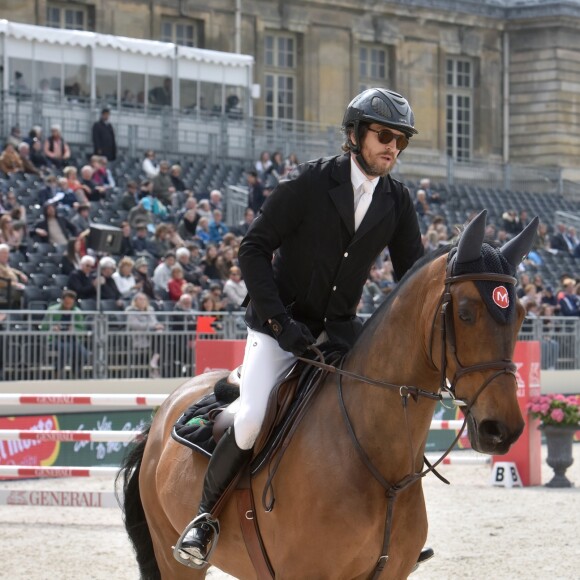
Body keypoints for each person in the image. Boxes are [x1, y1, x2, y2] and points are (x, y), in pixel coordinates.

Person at [177, 87, 426, 565]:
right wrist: (278, 319)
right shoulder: (308, 184)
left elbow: (411, 278)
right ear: (354, 135)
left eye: (401, 140)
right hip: (277, 327)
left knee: (384, 413)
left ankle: (391, 530)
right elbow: (251, 250)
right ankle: (204, 519)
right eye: (384, 135)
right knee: (251, 418)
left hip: (338, 331)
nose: (392, 146)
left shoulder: (396, 200)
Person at [41, 290, 89, 379]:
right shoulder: (52, 310)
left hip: (72, 339)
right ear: (62, 300)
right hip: (55, 338)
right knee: (65, 349)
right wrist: (53, 328)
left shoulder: (77, 312)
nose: (68, 305)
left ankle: (76, 373)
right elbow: (44, 326)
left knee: (83, 353)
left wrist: (74, 329)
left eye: (70, 303)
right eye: (66, 303)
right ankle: (57, 372)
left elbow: (81, 329)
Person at [0, 244, 27, 308]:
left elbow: (11, 270)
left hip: (12, 287)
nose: (6, 255)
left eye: (7, 253)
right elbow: (1, 282)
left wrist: (20, 274)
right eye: (3, 253)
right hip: (5, 289)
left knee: (27, 291)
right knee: (26, 293)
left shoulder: (5, 264)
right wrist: (15, 284)